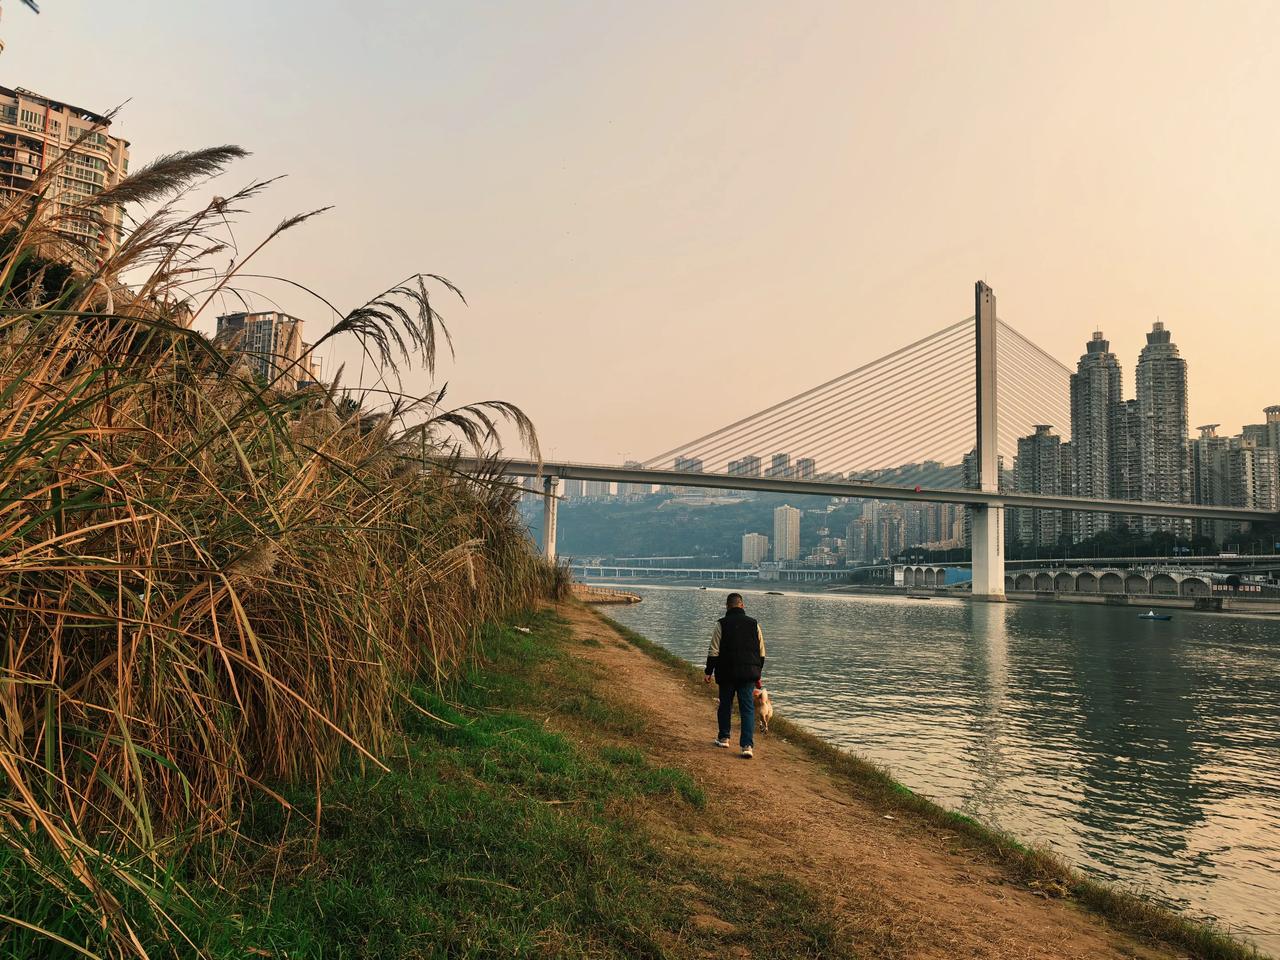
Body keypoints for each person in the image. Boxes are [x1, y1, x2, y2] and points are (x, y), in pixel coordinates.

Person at [703, 592, 766, 759]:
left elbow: (713, 651)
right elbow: (761, 653)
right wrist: (757, 673)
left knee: (725, 705)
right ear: (742, 605)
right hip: (748, 674)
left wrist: (708, 672)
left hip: (727, 672)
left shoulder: (721, 624)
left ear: (727, 606)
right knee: (747, 708)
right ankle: (747, 746)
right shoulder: (754, 624)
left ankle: (724, 737)